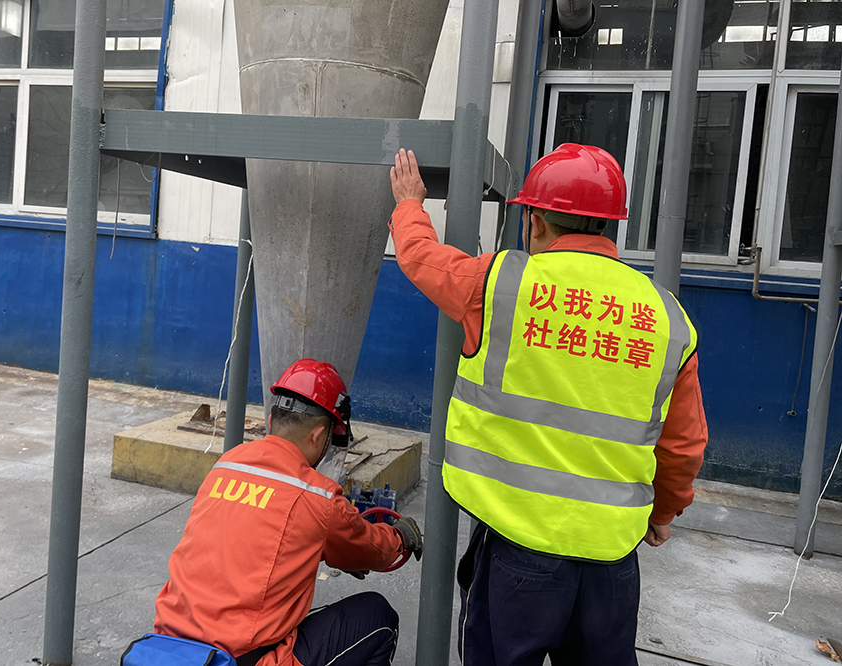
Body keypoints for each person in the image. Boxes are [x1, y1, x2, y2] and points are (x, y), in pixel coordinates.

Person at [387, 145, 708, 665]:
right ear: (612, 226)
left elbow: (419, 257)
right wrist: (664, 511)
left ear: (535, 221)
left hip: (518, 553)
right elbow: (684, 444)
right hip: (611, 560)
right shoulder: (667, 318)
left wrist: (408, 203)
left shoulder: (499, 284)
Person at [150, 358, 424, 666]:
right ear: (318, 436)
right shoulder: (317, 495)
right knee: (377, 615)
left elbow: (252, 532)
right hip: (243, 659)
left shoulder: (227, 464)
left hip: (169, 648)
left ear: (271, 420)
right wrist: (402, 537)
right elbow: (373, 550)